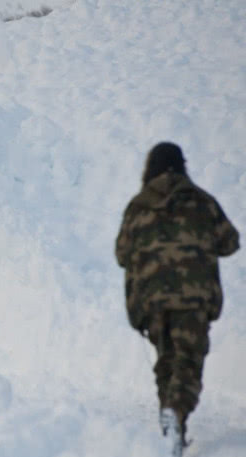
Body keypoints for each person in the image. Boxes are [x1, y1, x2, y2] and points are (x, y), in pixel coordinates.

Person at [115, 142, 239, 455]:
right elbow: (230, 242)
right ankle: (175, 414)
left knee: (167, 361)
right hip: (193, 298)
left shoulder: (138, 206)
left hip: (152, 300)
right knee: (188, 360)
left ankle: (171, 427)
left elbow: (122, 254)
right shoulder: (202, 201)